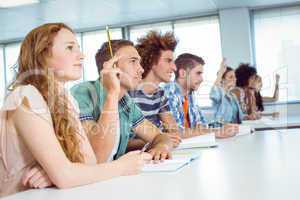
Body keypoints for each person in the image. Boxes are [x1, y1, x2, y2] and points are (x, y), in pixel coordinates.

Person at [0, 23, 151, 197]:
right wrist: (123, 166)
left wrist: (57, 172)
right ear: (42, 55)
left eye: (78, 48)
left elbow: (90, 162)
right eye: (70, 48)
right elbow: (66, 176)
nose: (81, 55)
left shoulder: (66, 100)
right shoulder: (26, 97)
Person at [71, 39, 173, 162]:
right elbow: (96, 158)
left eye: (139, 63)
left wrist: (162, 146)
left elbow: (159, 136)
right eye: (133, 61)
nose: (141, 69)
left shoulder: (125, 102)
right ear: (112, 66)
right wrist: (112, 93)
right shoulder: (82, 94)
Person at [164, 53, 239, 139]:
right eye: (198, 73)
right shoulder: (169, 93)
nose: (202, 79)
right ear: (182, 73)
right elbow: (177, 133)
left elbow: (202, 126)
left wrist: (221, 128)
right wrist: (216, 131)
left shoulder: (190, 95)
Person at [129, 31, 181, 148]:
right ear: (152, 61)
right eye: (168, 61)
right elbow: (122, 145)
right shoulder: (128, 94)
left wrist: (161, 139)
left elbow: (174, 132)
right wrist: (158, 139)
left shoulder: (160, 94)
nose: (174, 67)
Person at [209, 59, 244, 123]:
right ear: (222, 80)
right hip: (223, 129)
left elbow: (238, 116)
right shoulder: (220, 95)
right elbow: (213, 94)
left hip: (235, 128)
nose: (235, 79)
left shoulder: (233, 96)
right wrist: (220, 73)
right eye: (231, 77)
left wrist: (246, 117)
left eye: (235, 76)